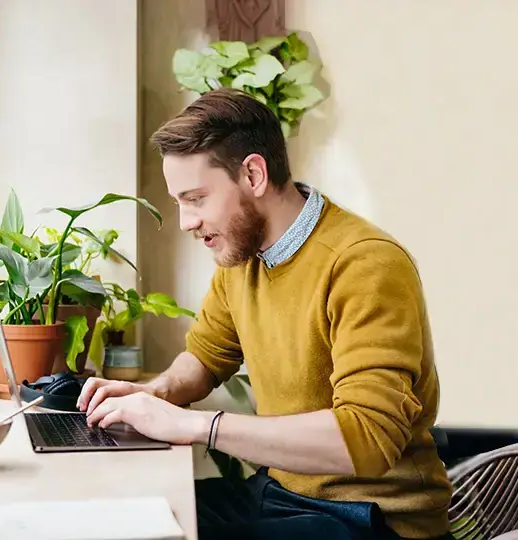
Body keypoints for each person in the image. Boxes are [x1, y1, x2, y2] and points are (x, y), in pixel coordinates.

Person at [77, 87, 454, 540]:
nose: (186, 222)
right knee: (124, 520)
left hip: (372, 518)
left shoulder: (365, 263)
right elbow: (205, 358)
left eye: (195, 198)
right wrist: (155, 393)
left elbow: (367, 438)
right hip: (280, 493)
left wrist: (194, 425)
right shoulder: (242, 257)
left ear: (254, 174)